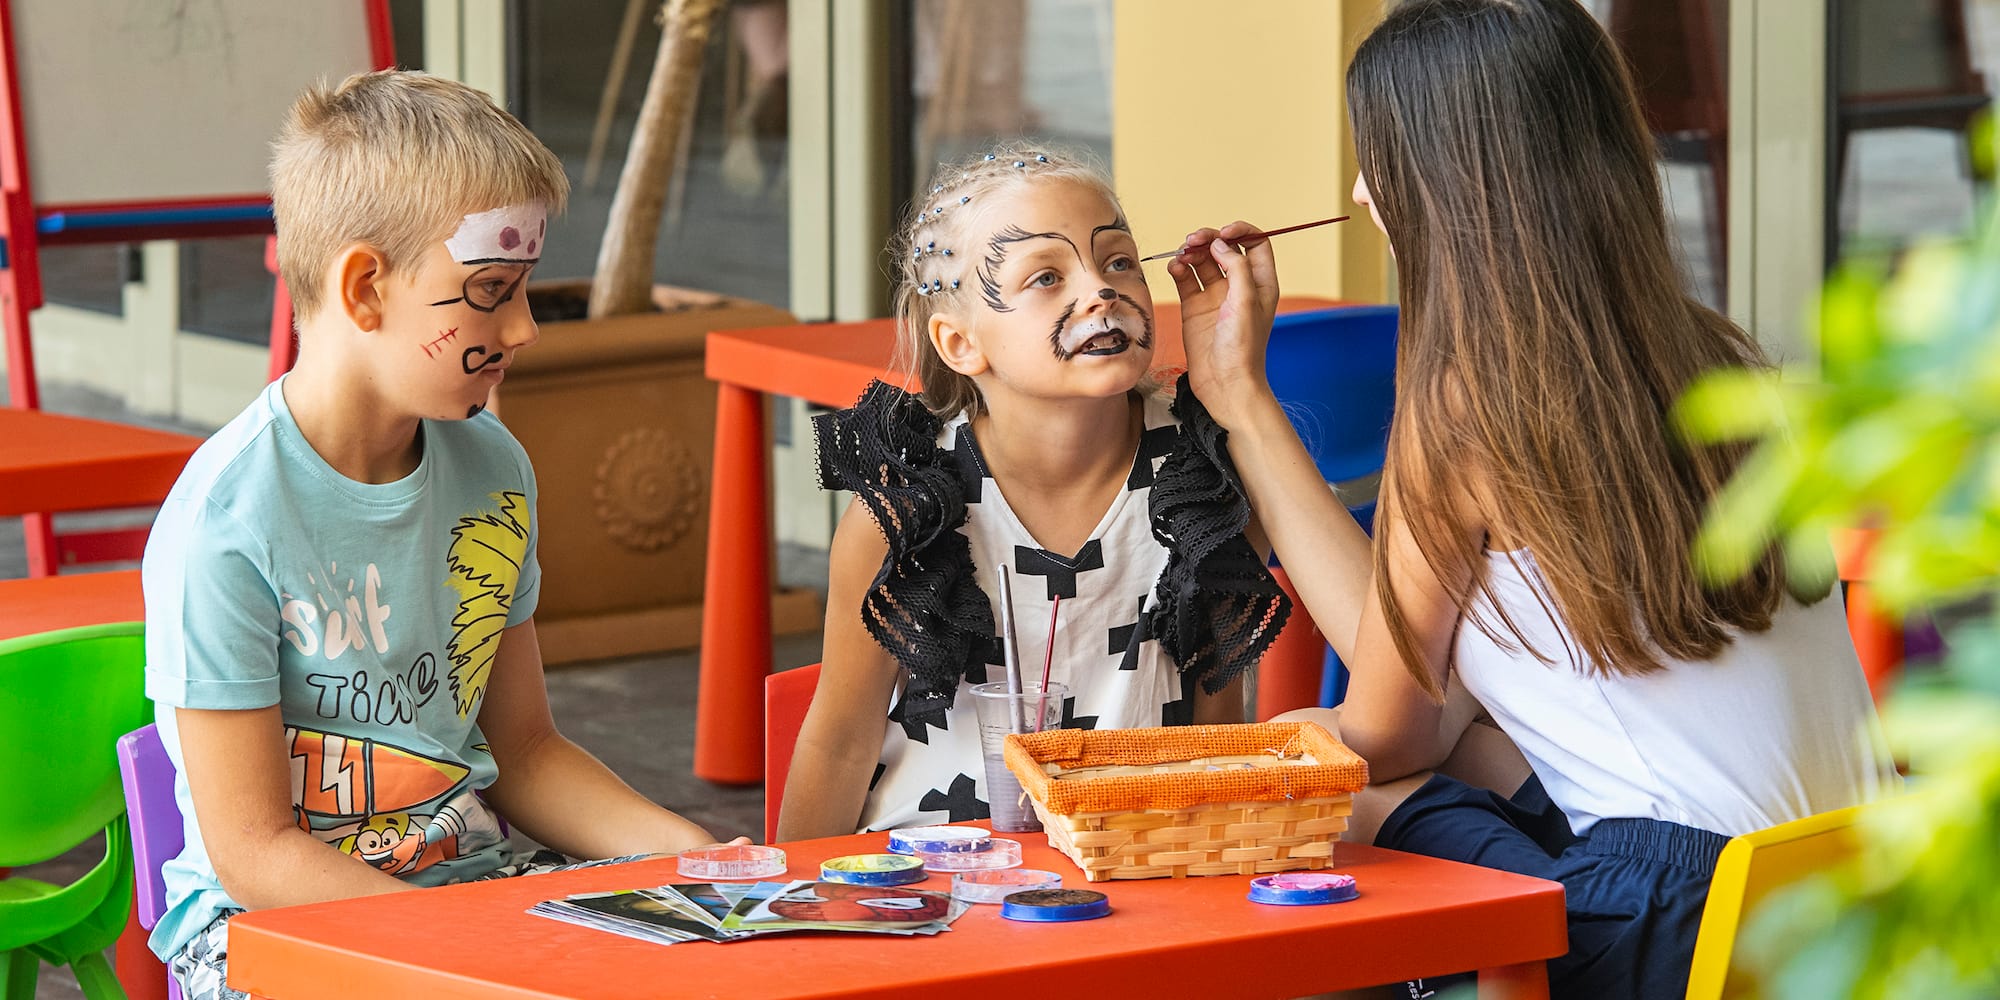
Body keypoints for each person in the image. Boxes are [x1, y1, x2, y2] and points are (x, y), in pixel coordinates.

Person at [1163, 1, 1897, 996]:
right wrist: (1241, 400)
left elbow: (1384, 733)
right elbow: (1421, 695)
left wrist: (1262, 753)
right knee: (1466, 748)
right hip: (1838, 896)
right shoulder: (1715, 358)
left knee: (1343, 800)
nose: (1357, 191)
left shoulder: (1469, 404)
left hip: (1676, 916)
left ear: (1446, 185)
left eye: (1378, 157)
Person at [142, 71, 734, 1000]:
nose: (526, 327)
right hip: (268, 931)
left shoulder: (491, 470)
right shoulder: (226, 520)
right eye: (490, 291)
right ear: (366, 287)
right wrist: (446, 957)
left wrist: (690, 856)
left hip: (471, 891)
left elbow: (528, 754)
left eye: (523, 290)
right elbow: (256, 854)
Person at [777, 146, 1291, 840]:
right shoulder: (908, 507)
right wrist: (795, 926)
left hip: (1137, 870)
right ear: (960, 344)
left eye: (1117, 261)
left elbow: (1214, 735)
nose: (1100, 291)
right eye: (1047, 276)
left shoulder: (1204, 488)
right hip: (926, 884)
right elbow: (839, 745)